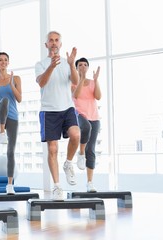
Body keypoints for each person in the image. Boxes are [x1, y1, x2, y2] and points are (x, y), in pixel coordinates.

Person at [35, 31, 80, 201]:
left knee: (76, 134)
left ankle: (68, 163)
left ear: (60, 44)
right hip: (49, 110)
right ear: (46, 44)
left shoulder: (67, 62)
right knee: (52, 149)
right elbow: (41, 82)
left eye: (56, 40)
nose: (54, 43)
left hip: (67, 107)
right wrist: (52, 66)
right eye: (50, 41)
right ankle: (57, 187)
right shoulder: (40, 64)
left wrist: (71, 64)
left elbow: (74, 81)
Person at [0, 52, 22, 195]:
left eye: (5, 60)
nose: (3, 62)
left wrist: (11, 85)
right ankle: (1, 132)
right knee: (4, 101)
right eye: (0, 60)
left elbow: (19, 98)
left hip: (13, 117)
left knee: (10, 152)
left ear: (8, 63)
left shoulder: (16, 78)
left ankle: (10, 185)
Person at [72, 57, 101, 192]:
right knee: (86, 127)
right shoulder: (73, 82)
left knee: (92, 150)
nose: (83, 67)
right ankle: (81, 152)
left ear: (88, 67)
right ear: (77, 68)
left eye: (85, 65)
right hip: (80, 115)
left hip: (94, 117)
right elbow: (76, 95)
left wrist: (95, 81)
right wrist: (82, 79)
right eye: (80, 65)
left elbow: (98, 96)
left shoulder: (92, 82)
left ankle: (90, 183)